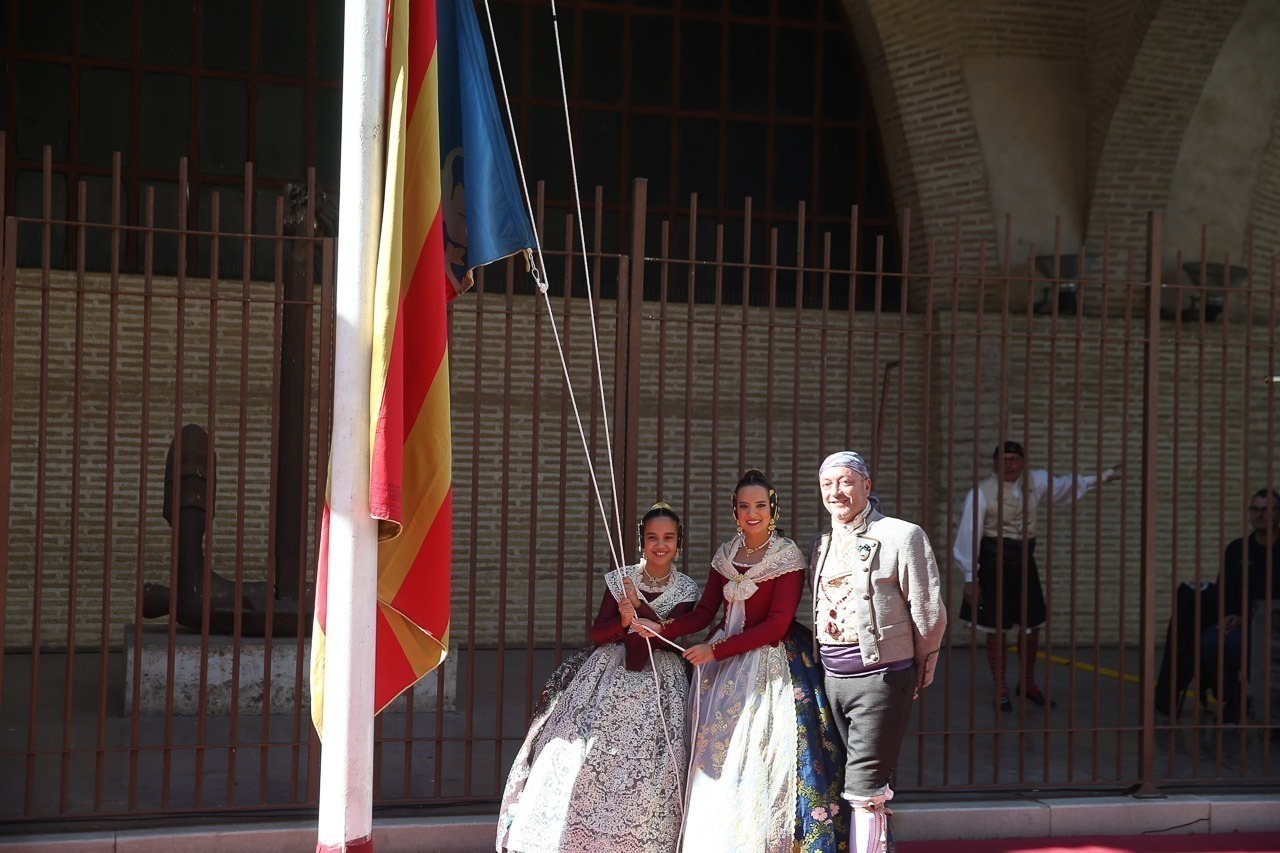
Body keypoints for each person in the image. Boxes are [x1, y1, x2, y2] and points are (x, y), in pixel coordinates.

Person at [634, 470, 847, 853]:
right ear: (734, 511)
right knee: (717, 752)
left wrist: (716, 651)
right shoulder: (726, 554)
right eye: (745, 506)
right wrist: (660, 625)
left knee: (762, 749)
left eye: (760, 506)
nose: (753, 513)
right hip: (724, 661)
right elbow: (704, 613)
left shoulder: (786, 556)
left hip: (771, 661)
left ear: (772, 510)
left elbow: (776, 625)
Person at [496, 503, 701, 853]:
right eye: (652, 538)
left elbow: (671, 636)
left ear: (679, 543)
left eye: (668, 538)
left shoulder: (686, 589)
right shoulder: (619, 579)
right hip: (609, 670)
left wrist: (640, 606)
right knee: (584, 750)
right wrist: (622, 620)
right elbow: (598, 633)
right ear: (642, 542)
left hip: (660, 678)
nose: (660, 545)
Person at [809, 451, 947, 853]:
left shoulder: (903, 535)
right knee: (845, 780)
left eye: (846, 481)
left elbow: (929, 613)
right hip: (832, 679)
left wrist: (919, 669)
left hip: (882, 678)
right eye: (827, 484)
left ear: (867, 486)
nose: (837, 491)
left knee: (865, 788)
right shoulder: (820, 543)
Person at [952, 440, 1121, 711]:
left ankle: (1028, 683)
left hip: (1024, 562)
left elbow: (1066, 485)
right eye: (1003, 460)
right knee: (997, 627)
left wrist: (1101, 477)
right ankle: (1001, 689)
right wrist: (972, 577)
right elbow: (968, 534)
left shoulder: (1035, 482)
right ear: (995, 463)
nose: (1009, 465)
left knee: (1031, 625)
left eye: (1014, 460)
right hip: (993, 561)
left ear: (1022, 462)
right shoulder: (981, 492)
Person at [1200, 488, 1280, 724]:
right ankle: (1236, 700)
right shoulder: (1237, 549)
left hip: (1274, 623)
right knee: (1210, 642)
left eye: (1266, 510)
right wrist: (1227, 615)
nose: (1259, 515)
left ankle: (1269, 707)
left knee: (1247, 647)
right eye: (1254, 509)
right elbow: (1222, 588)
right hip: (1241, 622)